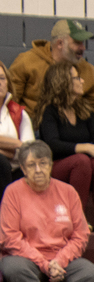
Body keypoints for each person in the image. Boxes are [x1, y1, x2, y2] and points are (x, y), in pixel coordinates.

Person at [0, 141, 94, 282]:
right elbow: (10, 237)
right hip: (27, 258)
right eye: (31, 165)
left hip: (61, 257)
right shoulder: (13, 192)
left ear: (50, 165)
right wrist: (44, 264)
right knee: (12, 268)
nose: (38, 170)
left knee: (93, 275)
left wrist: (59, 261)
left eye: (43, 163)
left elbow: (80, 235)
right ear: (23, 169)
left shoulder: (68, 192)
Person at [7, 19, 94, 154]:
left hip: (73, 134)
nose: (83, 48)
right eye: (77, 43)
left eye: (83, 43)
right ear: (60, 43)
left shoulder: (87, 70)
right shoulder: (27, 62)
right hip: (35, 132)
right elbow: (9, 101)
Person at [34, 61, 94, 230]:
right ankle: (78, 220)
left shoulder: (83, 108)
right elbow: (52, 145)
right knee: (82, 160)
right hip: (57, 166)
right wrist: (87, 147)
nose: (82, 81)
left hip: (82, 165)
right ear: (63, 82)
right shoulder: (49, 111)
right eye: (77, 78)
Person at [0, 58, 34, 189]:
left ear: (8, 82)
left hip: (14, 171)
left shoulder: (19, 113)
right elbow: (22, 146)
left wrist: (13, 152)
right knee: (1, 162)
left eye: (2, 78)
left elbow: (29, 149)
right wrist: (17, 144)